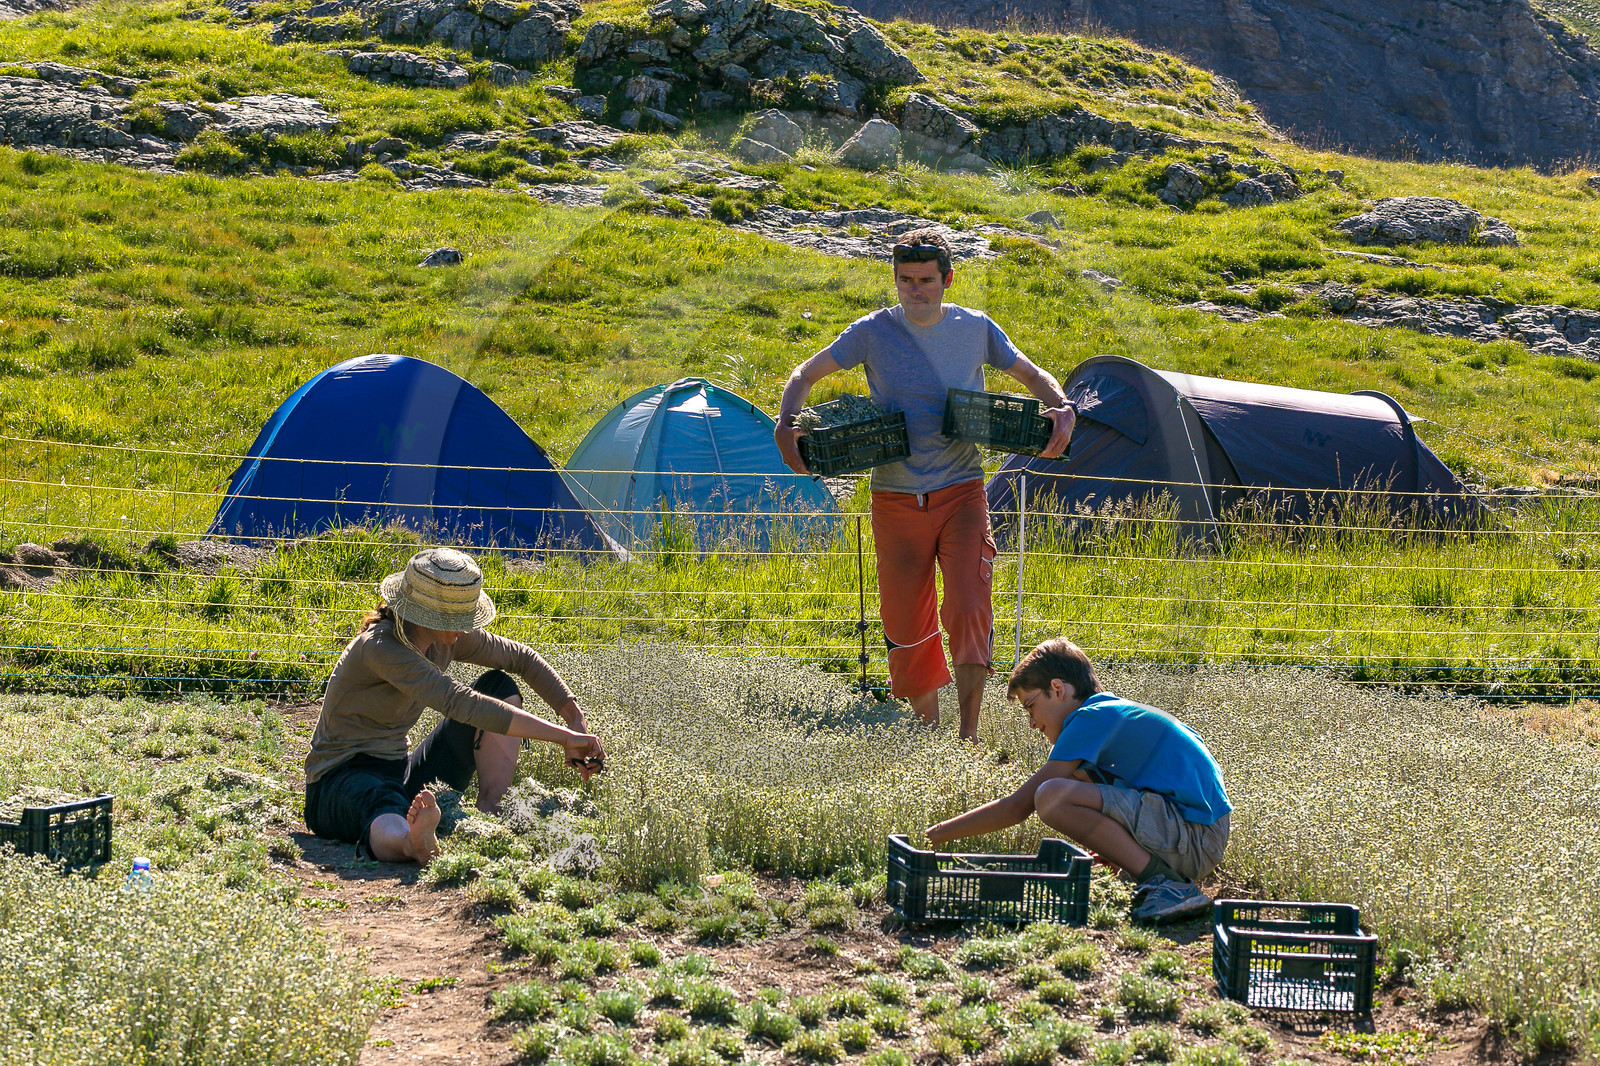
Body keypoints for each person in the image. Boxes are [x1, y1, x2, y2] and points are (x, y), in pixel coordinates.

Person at [775, 228, 1075, 740]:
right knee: (905, 619)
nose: (915, 290)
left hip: (962, 489)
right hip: (893, 494)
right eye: (906, 280)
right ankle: (928, 736)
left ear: (947, 280)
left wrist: (1062, 407)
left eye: (926, 280)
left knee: (968, 604)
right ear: (895, 280)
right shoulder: (871, 331)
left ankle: (968, 734)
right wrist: (787, 424)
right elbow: (805, 374)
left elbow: (1031, 375)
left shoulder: (975, 328)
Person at [303, 547, 605, 865]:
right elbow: (460, 703)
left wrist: (575, 721)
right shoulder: (381, 647)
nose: (466, 626)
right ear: (426, 616)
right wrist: (563, 738)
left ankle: (491, 817)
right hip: (336, 781)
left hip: (399, 770)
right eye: (458, 618)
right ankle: (411, 843)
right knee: (382, 801)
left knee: (499, 687)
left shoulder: (446, 637)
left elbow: (521, 658)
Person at [925, 638, 1231, 923]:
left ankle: (1167, 884)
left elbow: (1018, 807)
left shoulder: (1091, 717)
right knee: (1074, 781)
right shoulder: (1107, 713)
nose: (1031, 723)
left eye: (1030, 706)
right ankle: (1150, 873)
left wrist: (935, 836)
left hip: (1196, 837)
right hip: (1197, 834)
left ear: (1057, 689)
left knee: (1051, 796)